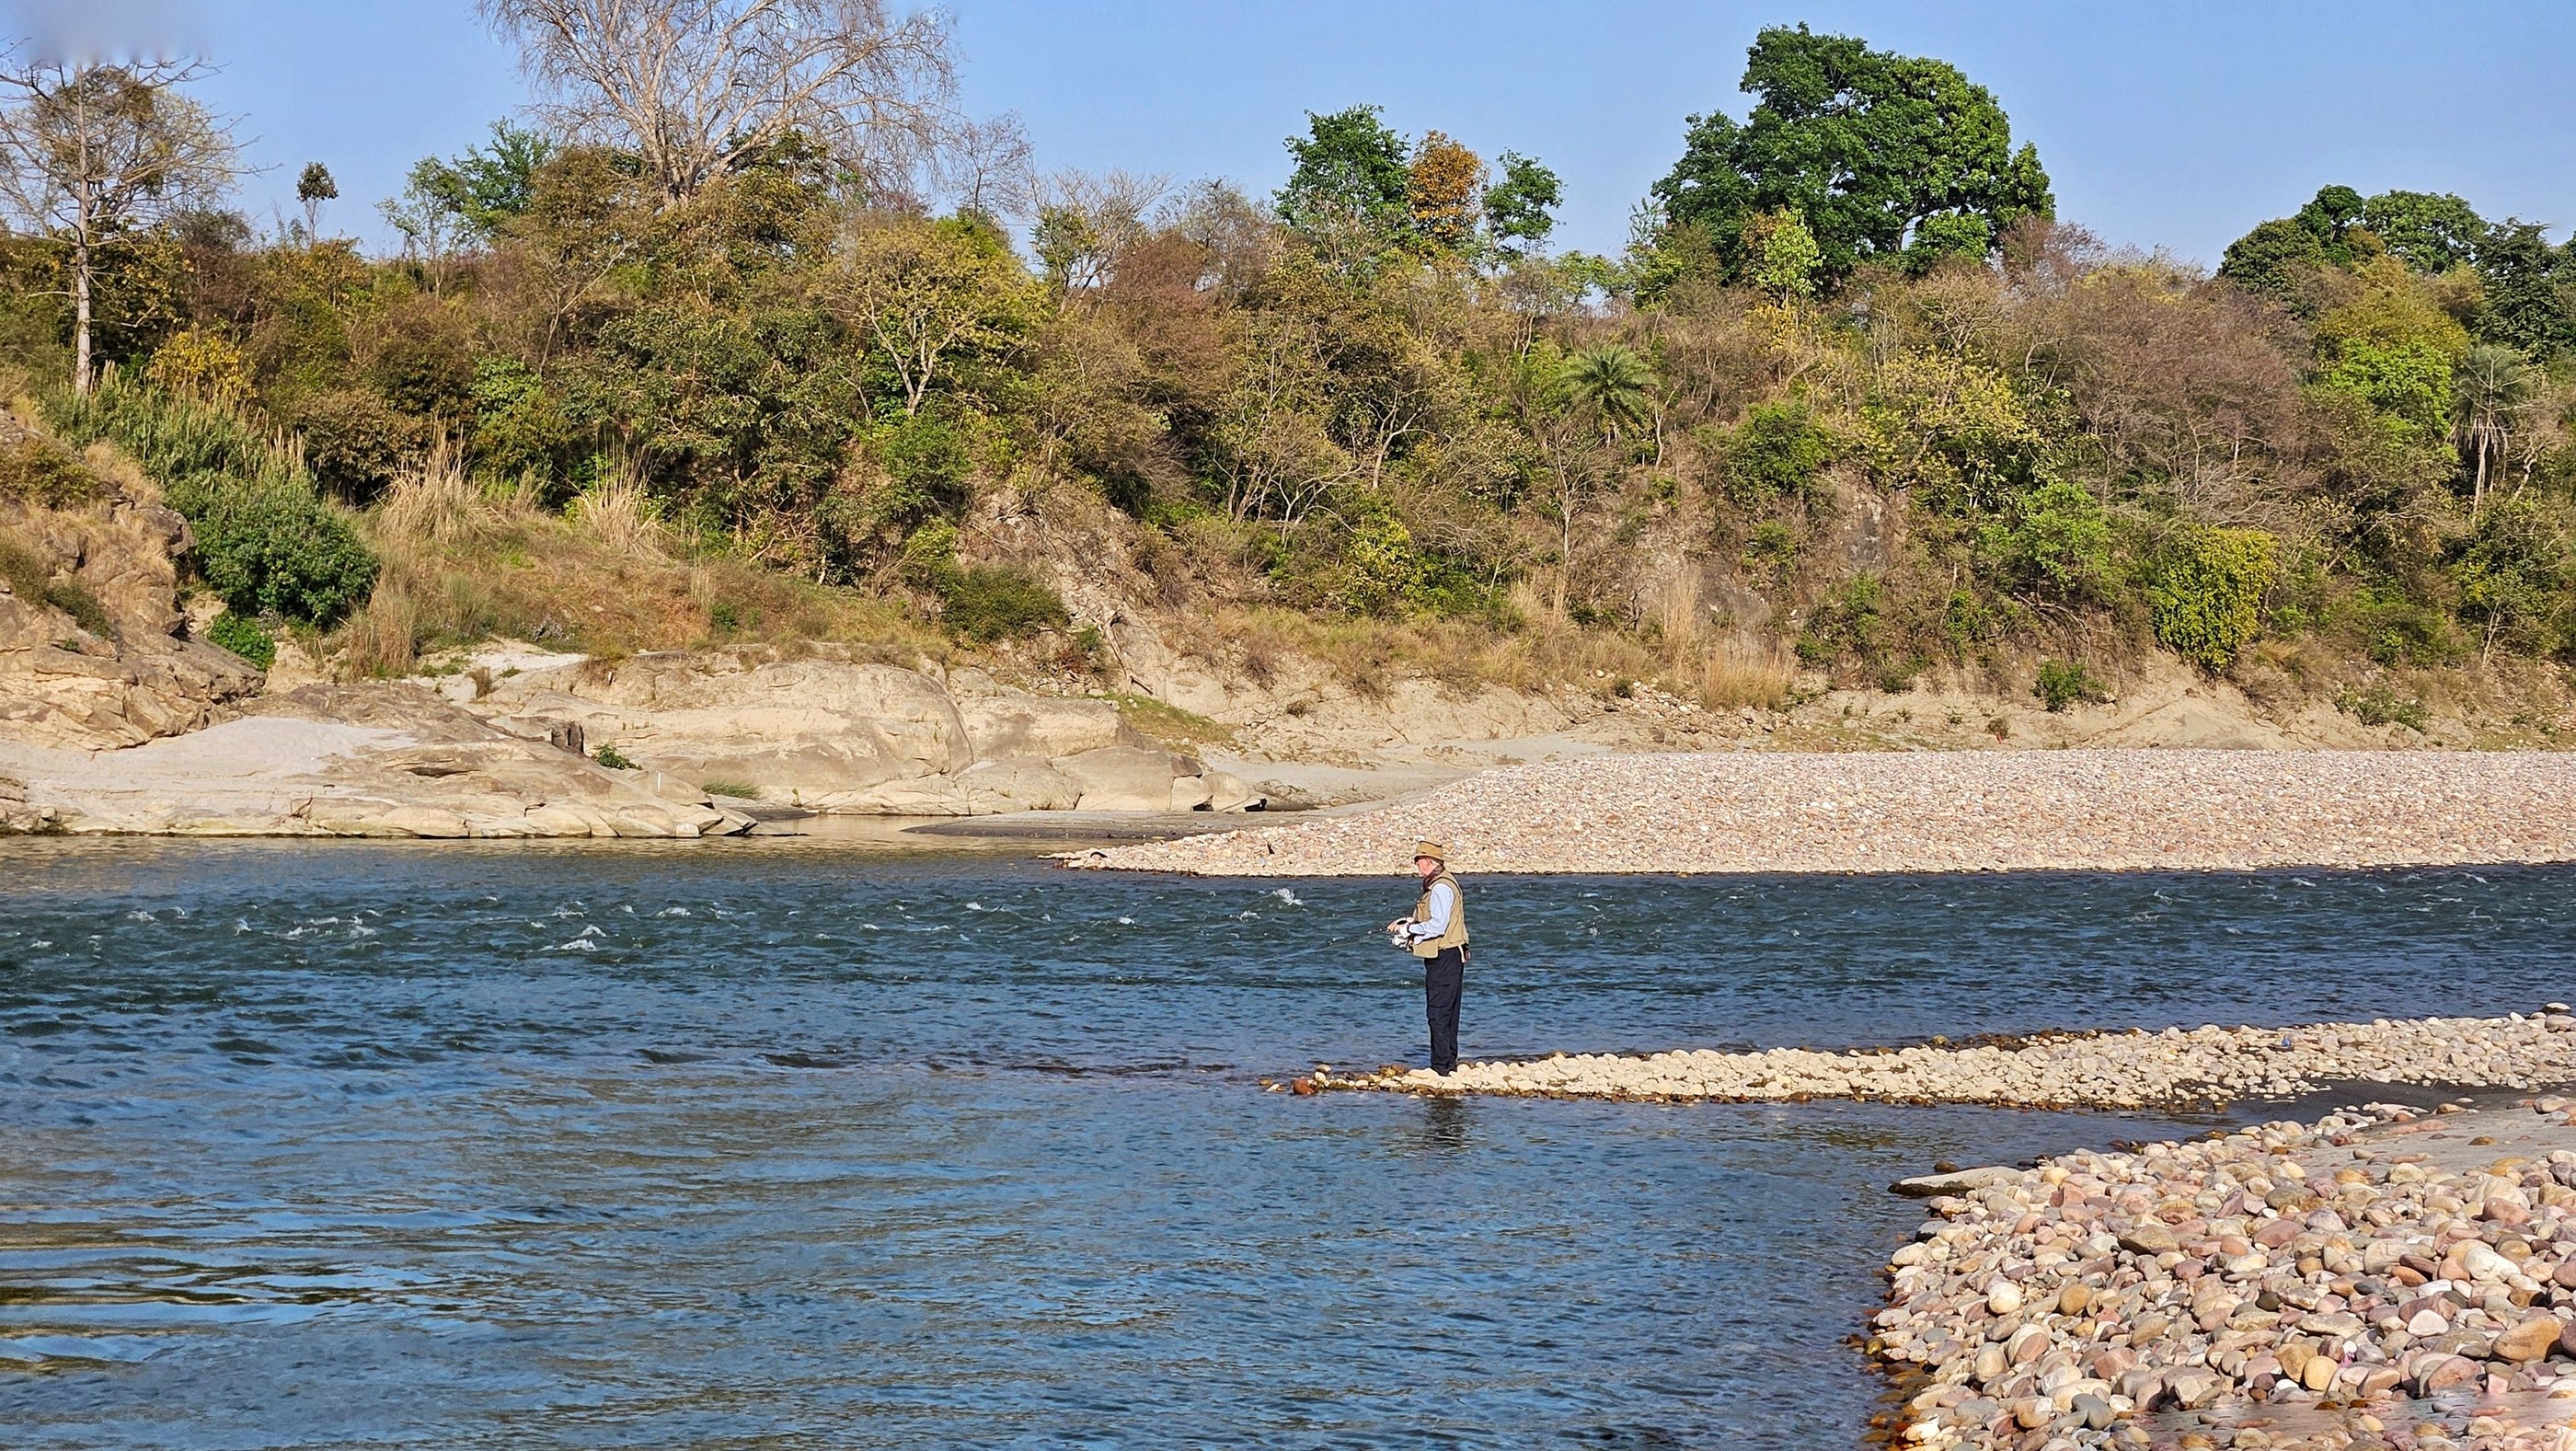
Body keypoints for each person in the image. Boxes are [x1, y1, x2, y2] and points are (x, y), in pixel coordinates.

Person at [1384, 839, 1468, 1076]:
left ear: (1429, 862)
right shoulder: (1442, 882)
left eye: (1418, 860)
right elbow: (1433, 919)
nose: (1417, 865)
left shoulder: (1440, 887)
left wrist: (1409, 931)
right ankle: (1449, 1063)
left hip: (1444, 955)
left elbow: (1438, 926)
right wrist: (1407, 921)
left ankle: (1440, 1067)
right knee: (1449, 1011)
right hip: (1450, 954)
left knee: (1438, 1012)